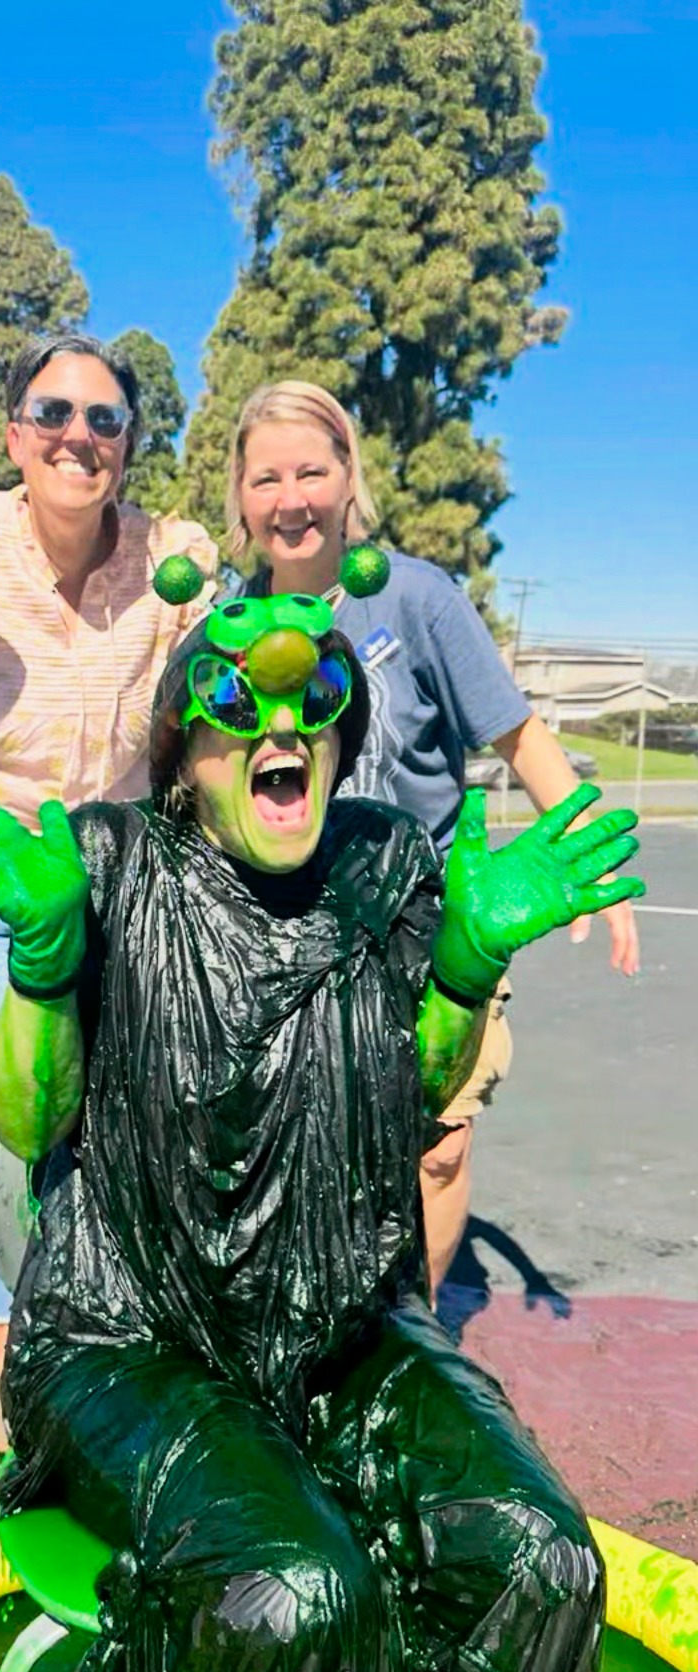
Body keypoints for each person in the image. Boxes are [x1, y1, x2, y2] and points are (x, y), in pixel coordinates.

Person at [0, 590, 642, 1672]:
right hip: (129, 1336)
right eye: (238, 704)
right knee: (289, 1591)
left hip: (345, 1323)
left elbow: (419, 1098)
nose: (280, 726)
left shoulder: (384, 864)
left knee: (541, 1557)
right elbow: (32, 1122)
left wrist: (463, 970)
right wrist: (45, 960)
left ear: (343, 733)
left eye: (315, 699)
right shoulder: (109, 863)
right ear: (187, 750)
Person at [225, 380, 641, 1291]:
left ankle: (415, 1327)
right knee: (302, 1142)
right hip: (290, 930)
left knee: (437, 1148)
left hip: (428, 922)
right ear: (241, 497)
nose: (291, 499)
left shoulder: (415, 597)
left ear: (348, 478)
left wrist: (593, 862)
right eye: (266, 479)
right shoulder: (230, 612)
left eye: (311, 472)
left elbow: (519, 737)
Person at [0, 331, 215, 1452]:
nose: (80, 436)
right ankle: (9, 1347)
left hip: (111, 880)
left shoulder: (176, 558)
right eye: (55, 414)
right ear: (16, 434)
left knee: (110, 1111)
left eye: (105, 418)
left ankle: (111, 1331)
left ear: (130, 439)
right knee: (1, 1118)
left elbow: (209, 707)